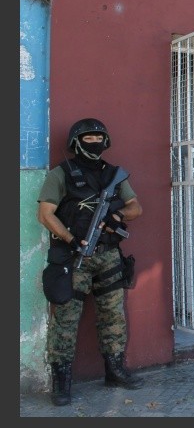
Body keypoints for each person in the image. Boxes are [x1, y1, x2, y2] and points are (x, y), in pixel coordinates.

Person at [36, 118, 144, 406]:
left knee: (113, 315)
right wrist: (71, 240)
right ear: (76, 142)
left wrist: (116, 216)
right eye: (88, 137)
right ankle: (62, 382)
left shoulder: (113, 174)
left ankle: (115, 371)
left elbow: (136, 207)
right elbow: (45, 214)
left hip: (108, 255)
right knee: (66, 319)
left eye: (99, 137)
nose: (94, 141)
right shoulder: (61, 174)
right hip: (74, 258)